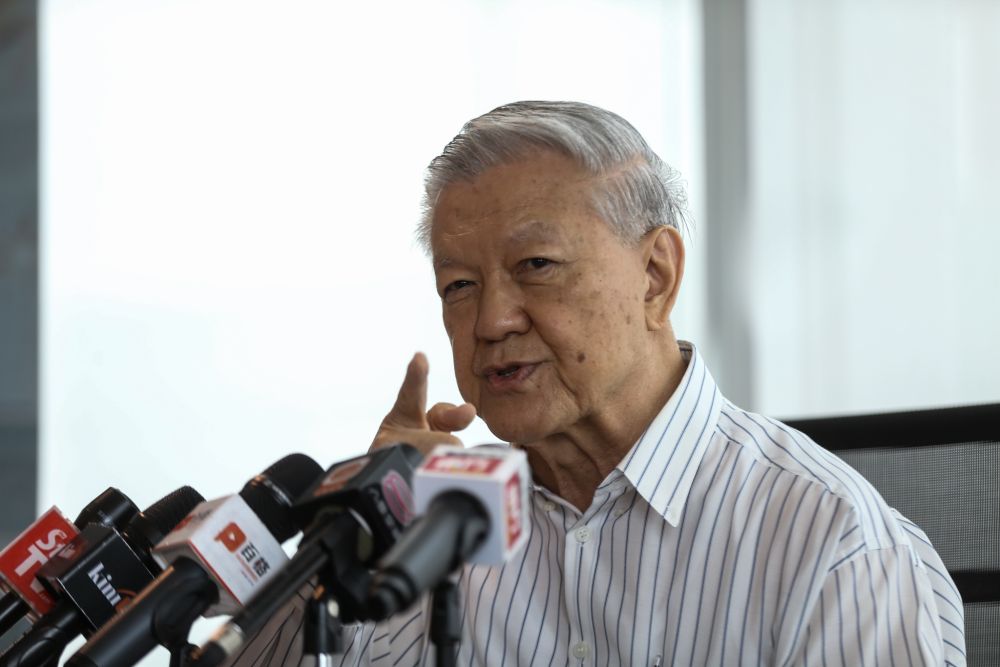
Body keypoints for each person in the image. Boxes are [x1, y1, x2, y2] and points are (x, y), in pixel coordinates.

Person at [228, 101, 965, 666]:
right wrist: (355, 536)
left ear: (656, 275)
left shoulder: (831, 543)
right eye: (458, 284)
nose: (490, 320)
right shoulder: (444, 519)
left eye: (536, 266)